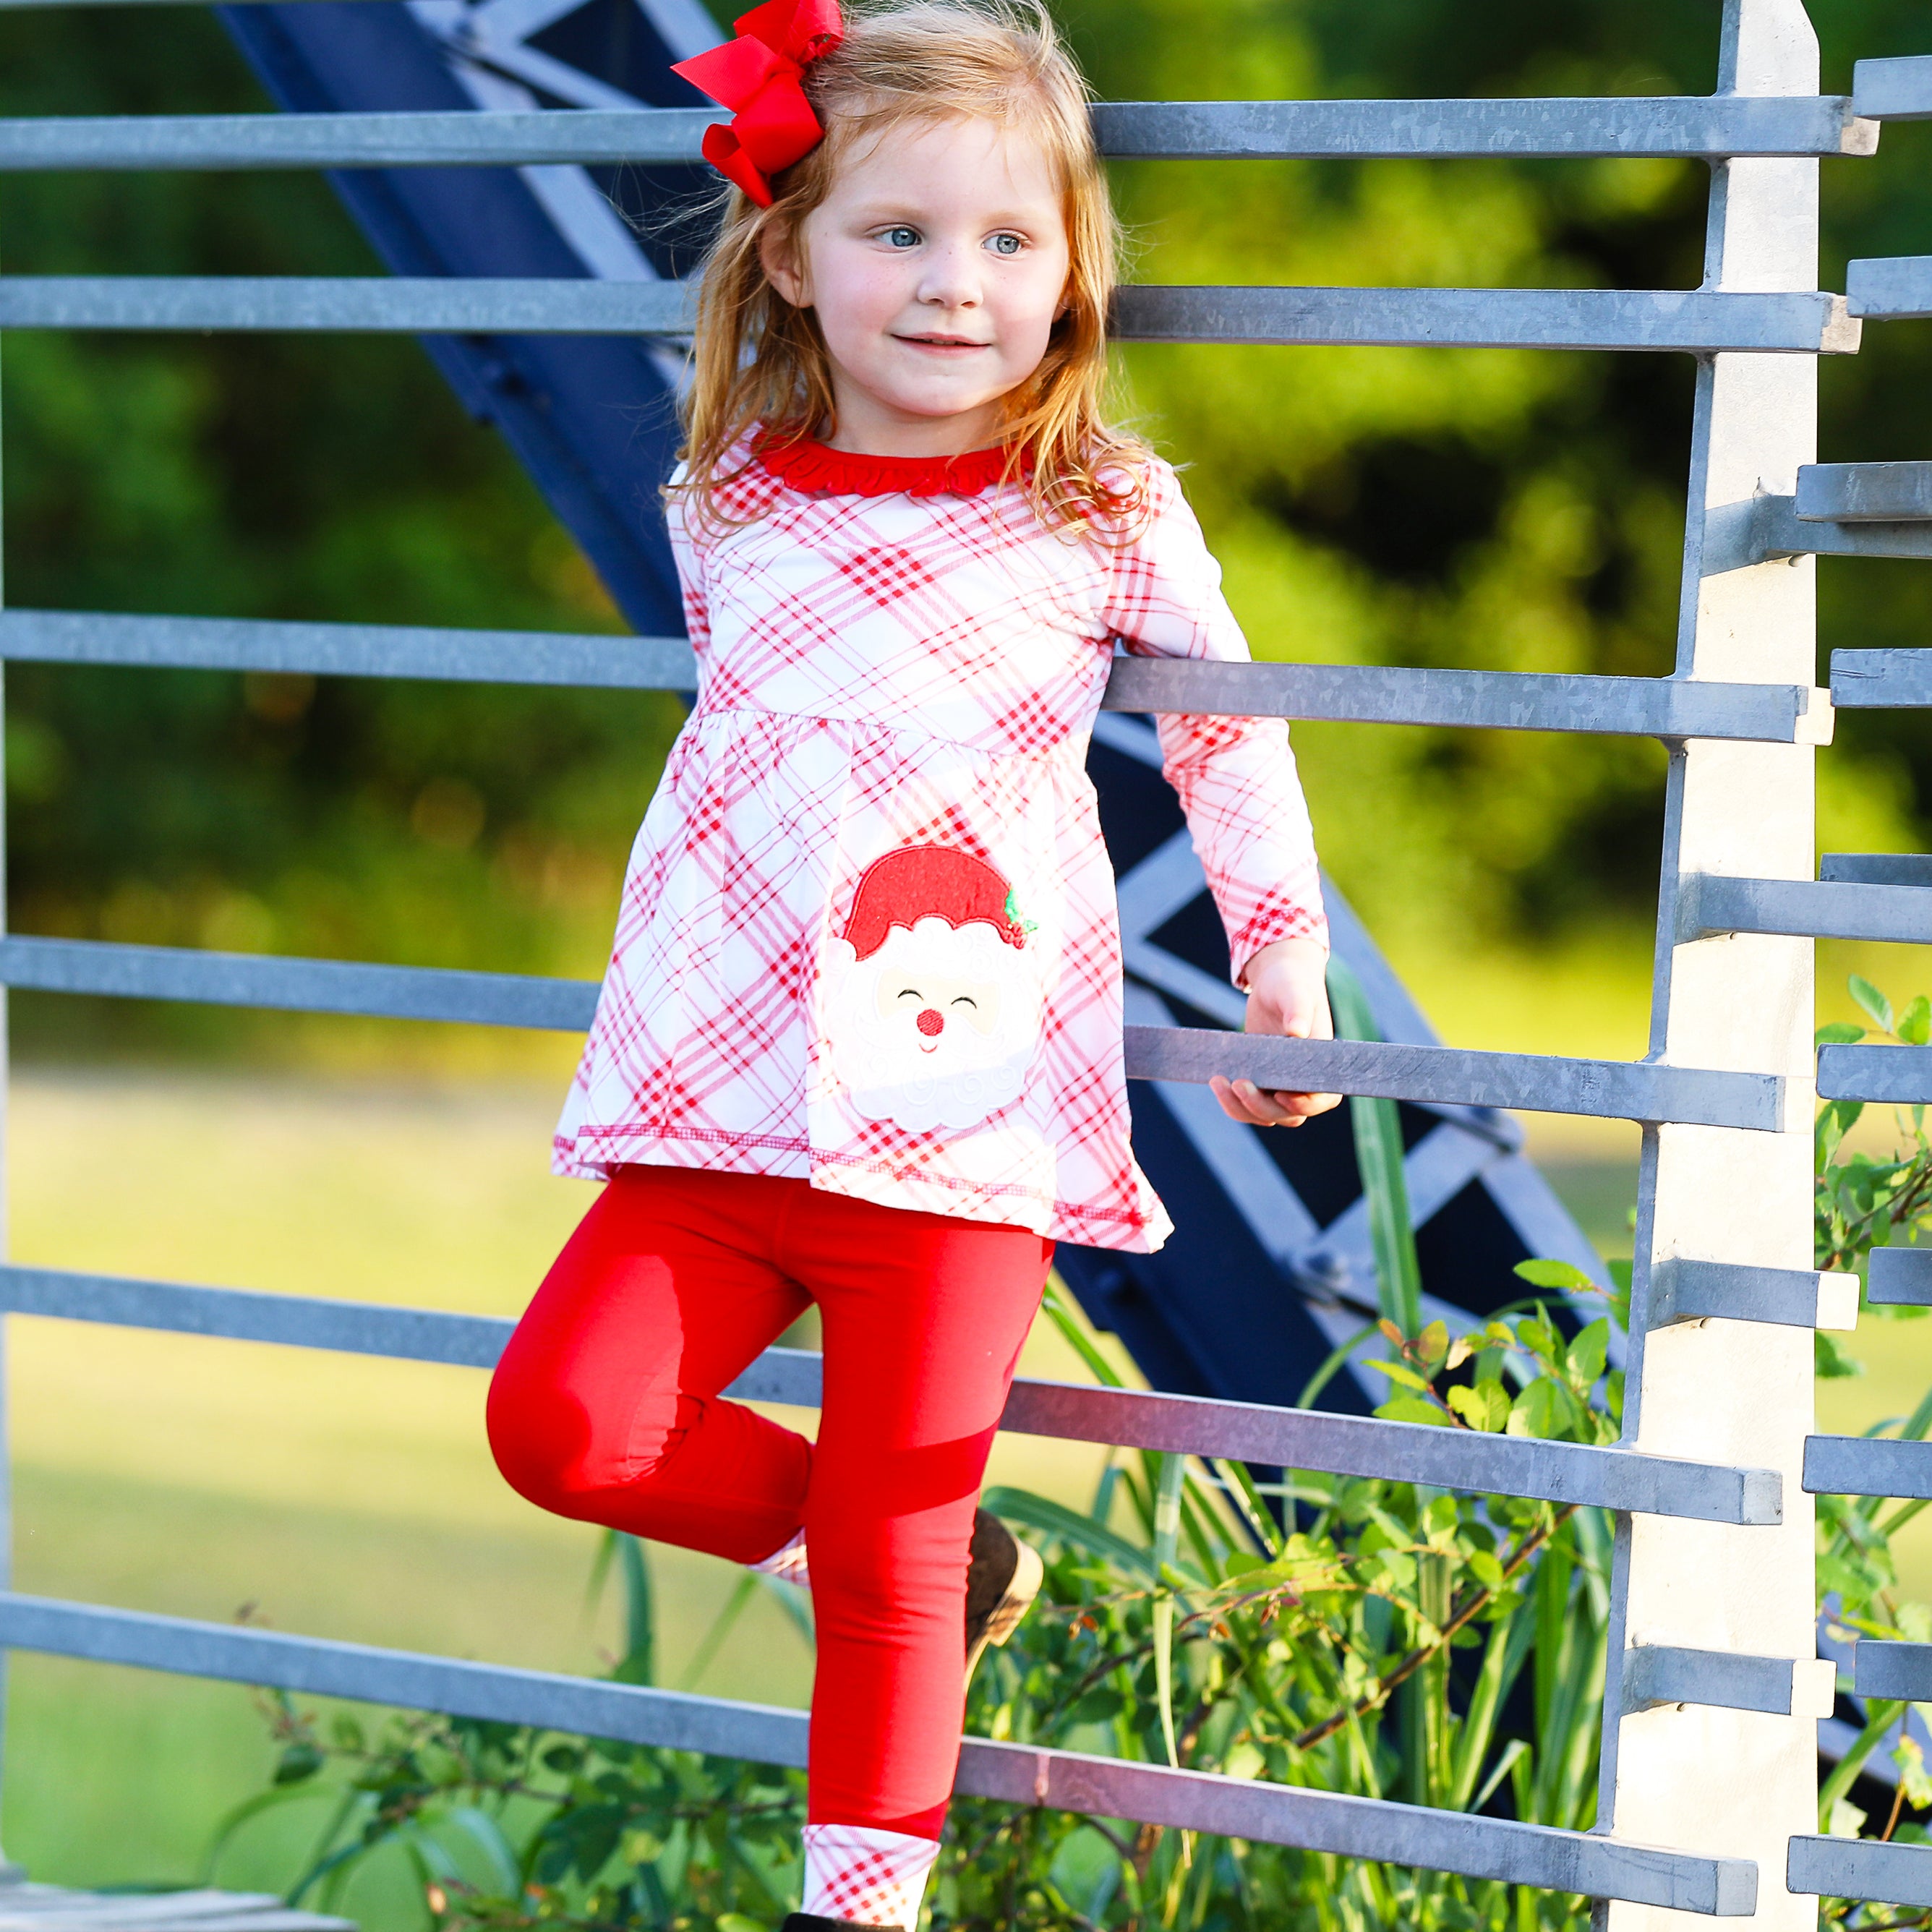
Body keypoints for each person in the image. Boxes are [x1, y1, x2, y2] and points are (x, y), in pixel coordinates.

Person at [485, 0, 1336, 1923]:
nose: (958, 286)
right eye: (899, 235)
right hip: (720, 1106)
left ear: (1071, 268)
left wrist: (1279, 962)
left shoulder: (1098, 504)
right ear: (789, 252)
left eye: (1008, 242)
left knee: (892, 1543)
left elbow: (1230, 729)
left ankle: (856, 1904)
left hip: (953, 1108)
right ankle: (949, 1573)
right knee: (565, 1422)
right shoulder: (735, 499)